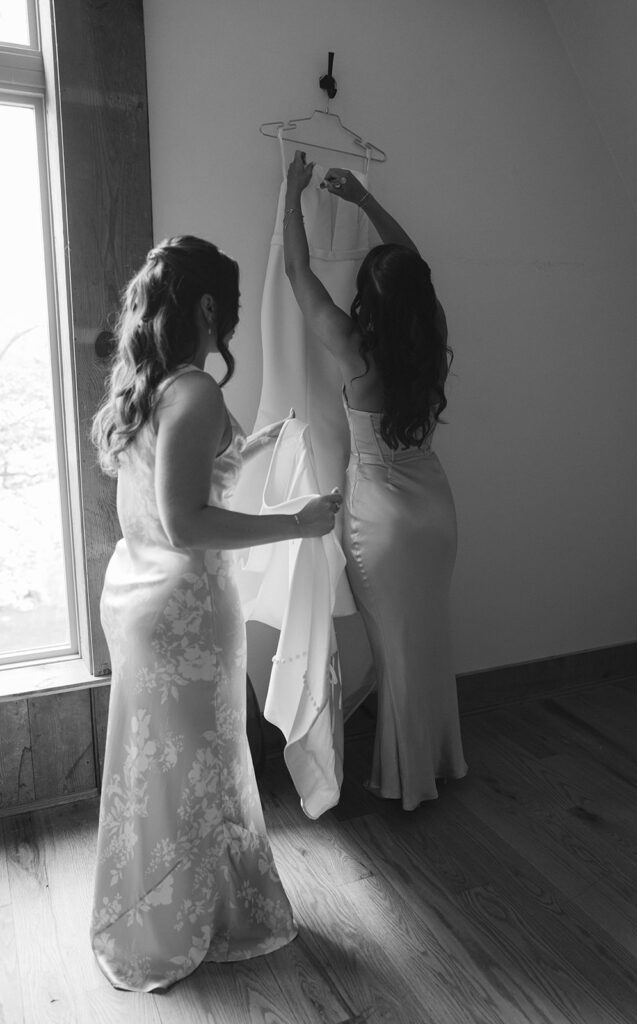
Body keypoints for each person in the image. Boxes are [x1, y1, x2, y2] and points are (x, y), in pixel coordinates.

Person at [89, 235, 342, 991]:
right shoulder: (195, 389)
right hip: (187, 610)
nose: (228, 322)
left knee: (160, 769)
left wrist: (249, 448)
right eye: (227, 308)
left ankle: (166, 909)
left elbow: (174, 484)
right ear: (206, 306)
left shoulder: (151, 385)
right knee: (201, 768)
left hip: (137, 593)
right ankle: (188, 920)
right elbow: (187, 522)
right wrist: (297, 522)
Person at [283, 153, 467, 811]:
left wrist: (290, 192)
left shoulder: (353, 346)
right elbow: (415, 264)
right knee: (426, 643)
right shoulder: (431, 334)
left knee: (396, 653)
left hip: (382, 521)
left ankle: (408, 779)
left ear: (367, 296)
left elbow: (297, 272)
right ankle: (440, 760)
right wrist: (363, 200)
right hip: (435, 511)